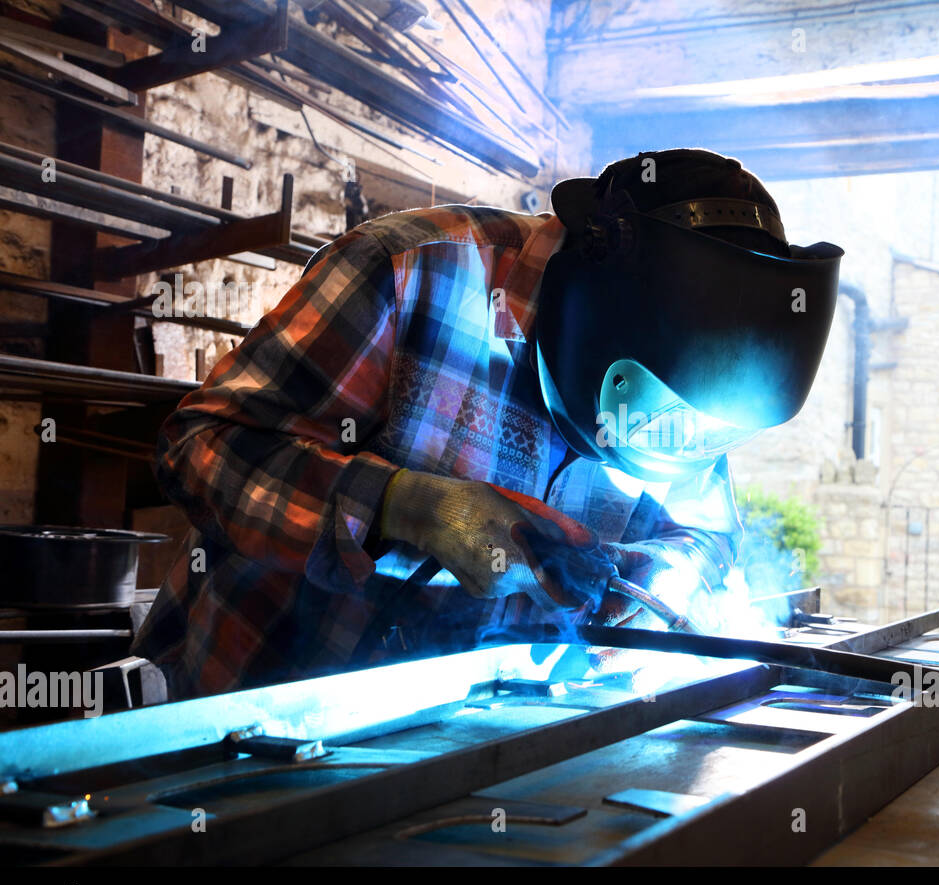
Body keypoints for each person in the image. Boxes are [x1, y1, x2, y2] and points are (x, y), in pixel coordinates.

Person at [130, 148, 843, 698]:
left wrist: (651, 591)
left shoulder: (693, 388)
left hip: (456, 757)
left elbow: (707, 536)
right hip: (244, 722)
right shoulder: (413, 270)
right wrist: (405, 508)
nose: (666, 442)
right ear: (602, 309)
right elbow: (199, 450)